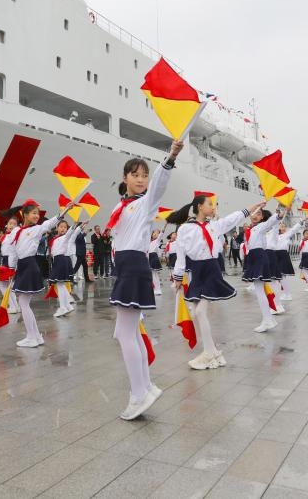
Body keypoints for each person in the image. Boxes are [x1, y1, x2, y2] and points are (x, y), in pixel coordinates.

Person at [106, 139, 184, 420]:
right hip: (128, 264)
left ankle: (139, 394)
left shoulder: (145, 202)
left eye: (144, 175)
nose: (140, 179)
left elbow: (159, 185)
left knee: (126, 334)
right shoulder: (123, 206)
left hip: (132, 264)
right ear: (125, 178)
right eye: (135, 175)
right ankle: (146, 386)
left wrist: (170, 158)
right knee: (126, 332)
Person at [169, 195, 265, 370]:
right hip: (197, 271)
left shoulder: (215, 225)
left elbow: (236, 216)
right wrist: (177, 277)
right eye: (209, 204)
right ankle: (213, 351)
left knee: (199, 312)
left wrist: (255, 206)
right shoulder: (184, 229)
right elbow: (181, 256)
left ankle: (208, 352)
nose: (213, 207)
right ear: (199, 207)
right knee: (198, 312)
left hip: (211, 269)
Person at [241, 206, 282, 333]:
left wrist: (278, 213)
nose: (254, 215)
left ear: (262, 217)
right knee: (260, 291)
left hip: (259, 256)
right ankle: (268, 319)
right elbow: (247, 246)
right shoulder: (249, 230)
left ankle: (267, 320)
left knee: (259, 291)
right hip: (253, 257)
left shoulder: (261, 226)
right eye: (253, 213)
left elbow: (271, 222)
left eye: (258, 214)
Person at [48, 219, 84, 317]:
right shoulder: (56, 238)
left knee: (60, 285)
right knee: (62, 285)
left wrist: (76, 226)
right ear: (57, 227)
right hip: (58, 260)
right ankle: (67, 305)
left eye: (65, 227)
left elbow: (71, 234)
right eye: (61, 226)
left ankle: (63, 307)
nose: (63, 229)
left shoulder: (65, 238)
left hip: (61, 260)